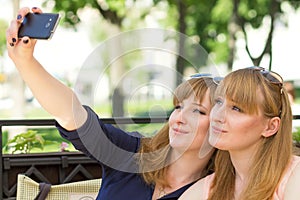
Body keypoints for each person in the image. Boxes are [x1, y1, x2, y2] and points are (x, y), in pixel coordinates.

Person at [6, 7, 220, 200]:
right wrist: (25, 61)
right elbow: (73, 116)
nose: (179, 118)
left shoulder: (218, 191)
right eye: (178, 107)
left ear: (220, 125)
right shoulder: (133, 156)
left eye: (198, 111)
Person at [179, 66, 300, 200]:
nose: (217, 116)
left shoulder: (294, 177)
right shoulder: (209, 189)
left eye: (236, 108)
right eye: (219, 102)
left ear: (270, 127)